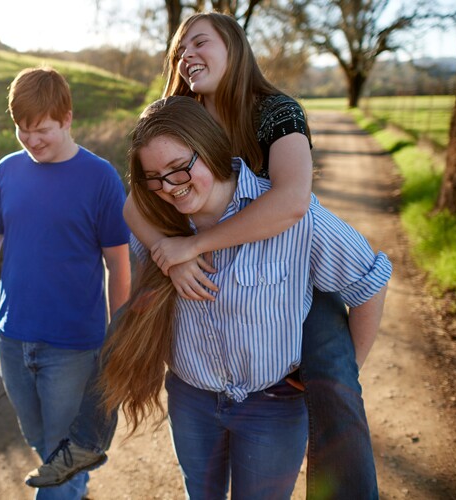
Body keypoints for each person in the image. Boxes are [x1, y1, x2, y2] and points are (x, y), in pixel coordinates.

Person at [27, 12, 383, 499]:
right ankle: (86, 440)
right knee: (131, 323)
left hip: (279, 252)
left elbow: (292, 201)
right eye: (178, 52)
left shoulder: (274, 110)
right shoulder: (175, 112)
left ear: (234, 45)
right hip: (188, 253)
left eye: (199, 42)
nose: (186, 55)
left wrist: (193, 245)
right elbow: (136, 203)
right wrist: (165, 249)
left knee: (334, 374)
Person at [116, 95, 390, 498]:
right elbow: (141, 294)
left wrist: (344, 374)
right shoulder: (156, 221)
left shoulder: (293, 216)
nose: (169, 187)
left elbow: (370, 281)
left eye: (179, 169)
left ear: (210, 145)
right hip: (191, 398)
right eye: (154, 177)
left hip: (274, 405)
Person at [0, 67, 131, 499]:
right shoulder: (7, 171)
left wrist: (119, 334)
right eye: (21, 131)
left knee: (58, 456)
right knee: (40, 440)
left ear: (67, 118)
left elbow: (118, 265)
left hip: (73, 347)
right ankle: (76, 481)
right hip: (10, 340)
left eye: (41, 129)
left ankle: (70, 481)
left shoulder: (101, 178)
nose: (31, 141)